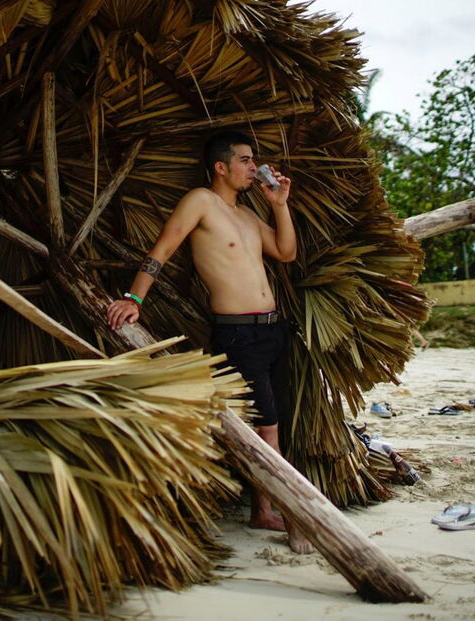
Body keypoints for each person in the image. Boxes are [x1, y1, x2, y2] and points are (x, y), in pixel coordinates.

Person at [105, 130, 313, 554]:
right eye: (245, 160)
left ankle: (263, 508)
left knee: (273, 420)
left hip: (272, 329)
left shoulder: (249, 217)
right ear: (222, 167)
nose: (254, 167)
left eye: (253, 160)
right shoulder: (201, 201)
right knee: (267, 426)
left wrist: (280, 206)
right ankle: (283, 512)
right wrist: (134, 297)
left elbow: (286, 252)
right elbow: (162, 249)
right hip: (237, 330)